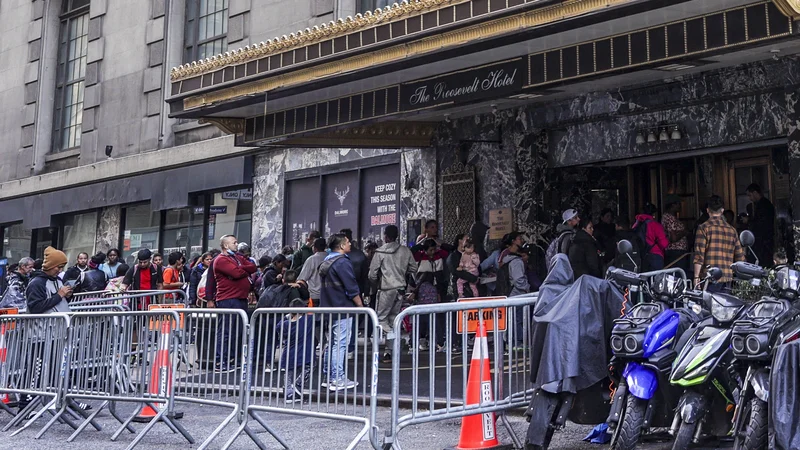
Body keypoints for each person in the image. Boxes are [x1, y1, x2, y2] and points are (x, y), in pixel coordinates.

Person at [319, 233, 363, 391]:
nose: (350, 244)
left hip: (329, 307)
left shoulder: (327, 260)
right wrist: (360, 306)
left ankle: (328, 377)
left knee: (331, 343)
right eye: (348, 242)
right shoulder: (342, 262)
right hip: (342, 307)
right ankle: (337, 378)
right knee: (340, 344)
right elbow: (351, 287)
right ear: (342, 246)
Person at [369, 225, 417, 363]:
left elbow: (372, 274)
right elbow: (414, 267)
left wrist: (378, 281)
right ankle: (388, 352)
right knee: (394, 318)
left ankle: (392, 338)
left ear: (386, 236)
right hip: (400, 289)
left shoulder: (380, 252)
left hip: (386, 289)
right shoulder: (405, 250)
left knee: (381, 319)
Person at [210, 235, 257, 372]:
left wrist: (241, 267)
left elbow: (253, 267)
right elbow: (236, 273)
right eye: (234, 242)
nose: (237, 245)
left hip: (240, 298)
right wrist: (242, 269)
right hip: (228, 299)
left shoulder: (236, 257)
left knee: (237, 331)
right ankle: (220, 361)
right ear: (225, 246)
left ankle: (231, 359)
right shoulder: (221, 260)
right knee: (225, 331)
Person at [693, 195, 745, 291]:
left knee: (709, 305)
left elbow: (699, 256)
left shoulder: (703, 228)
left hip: (709, 278)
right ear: (722, 211)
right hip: (727, 278)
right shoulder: (732, 230)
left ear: (708, 210)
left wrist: (696, 277)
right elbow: (740, 257)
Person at [277, 298, 315, 403]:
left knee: (288, 374)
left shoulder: (285, 324)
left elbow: (278, 326)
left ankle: (288, 394)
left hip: (288, 354)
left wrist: (287, 316)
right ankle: (298, 385)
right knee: (309, 367)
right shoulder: (307, 320)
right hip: (303, 352)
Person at [500, 234, 530, 351]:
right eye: (519, 238)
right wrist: (527, 287)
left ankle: (510, 341)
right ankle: (515, 342)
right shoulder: (516, 261)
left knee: (511, 318)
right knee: (517, 318)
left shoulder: (506, 260)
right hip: (517, 293)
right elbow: (519, 279)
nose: (521, 240)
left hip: (510, 292)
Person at [26, 247, 71, 314]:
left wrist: (67, 296)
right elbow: (35, 308)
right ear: (50, 266)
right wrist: (59, 296)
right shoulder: (37, 283)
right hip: (45, 323)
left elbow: (60, 303)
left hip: (60, 322)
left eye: (62, 267)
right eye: (59, 267)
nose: (60, 270)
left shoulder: (58, 280)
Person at [746, 183, 776, 267]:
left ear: (755, 193)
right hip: (762, 241)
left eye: (750, 195)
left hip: (764, 241)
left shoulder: (764, 205)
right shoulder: (761, 204)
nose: (749, 198)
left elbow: (762, 223)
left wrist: (749, 221)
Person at [633, 203, 669, 271]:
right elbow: (664, 244)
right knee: (656, 280)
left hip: (640, 256)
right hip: (655, 256)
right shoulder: (655, 225)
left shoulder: (636, 224)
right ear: (654, 214)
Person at [662, 195, 690, 273]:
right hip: (676, 251)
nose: (680, 206)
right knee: (678, 274)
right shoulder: (670, 218)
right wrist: (684, 232)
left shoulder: (667, 217)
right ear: (672, 205)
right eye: (678, 204)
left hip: (675, 251)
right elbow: (673, 238)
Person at [297, 238, 328, 308]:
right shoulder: (330, 258)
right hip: (328, 296)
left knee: (314, 318)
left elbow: (302, 279)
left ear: (315, 248)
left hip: (314, 296)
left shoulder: (311, 259)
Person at [340, 229, 368, 299]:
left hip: (340, 293)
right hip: (356, 291)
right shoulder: (360, 255)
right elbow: (365, 277)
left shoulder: (333, 256)